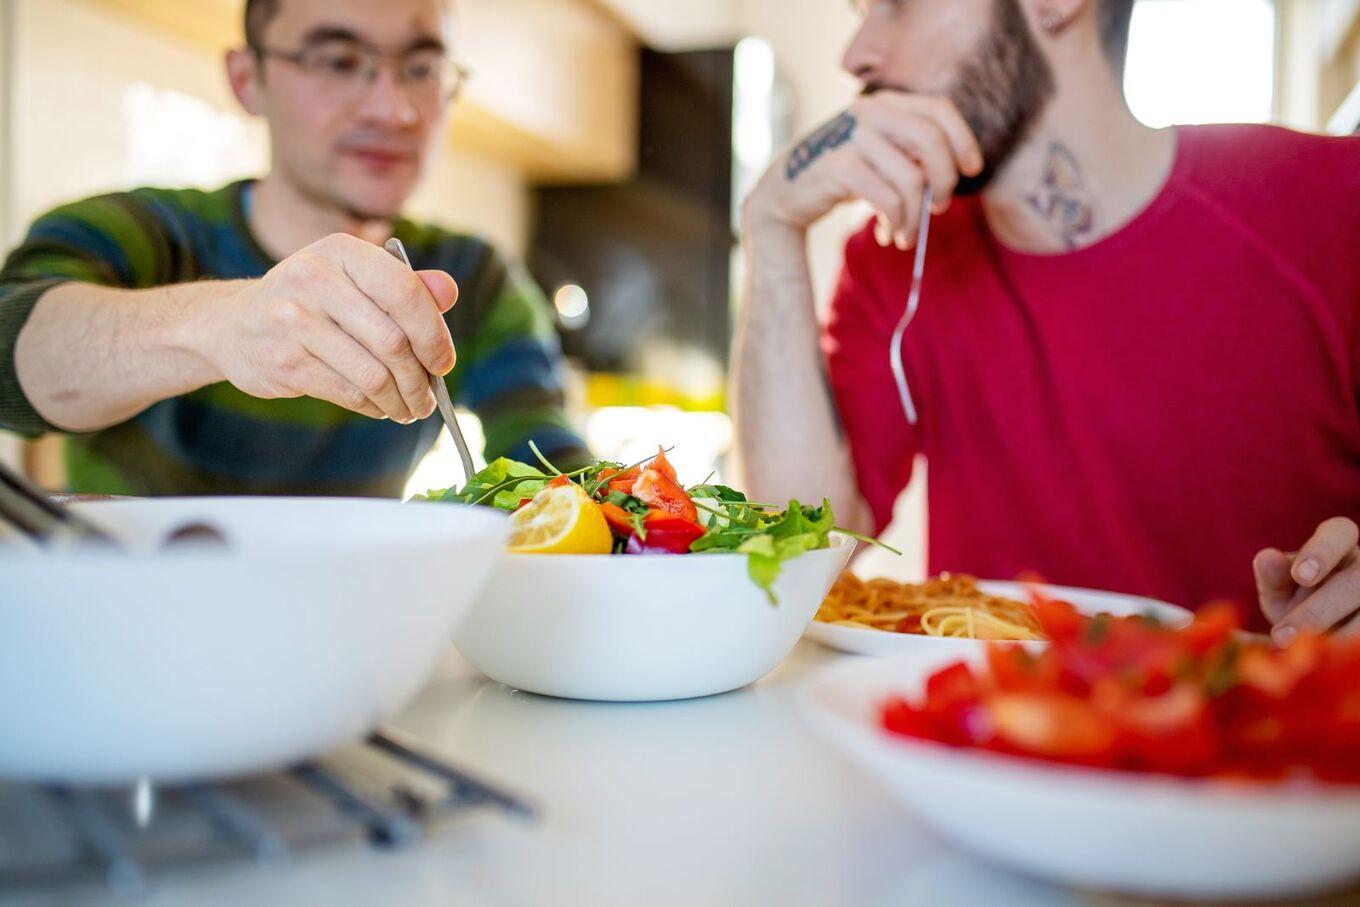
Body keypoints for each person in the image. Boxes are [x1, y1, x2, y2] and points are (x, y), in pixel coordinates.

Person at [732, 0, 1360, 639]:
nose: (855, 53)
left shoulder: (1340, 204)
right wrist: (772, 224)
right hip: (979, 728)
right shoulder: (891, 261)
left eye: (896, 5)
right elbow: (791, 552)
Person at [0, 0, 587, 498]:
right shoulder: (143, 232)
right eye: (337, 60)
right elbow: (11, 355)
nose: (394, 110)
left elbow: (555, 468)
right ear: (246, 78)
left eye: (422, 66)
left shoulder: (472, 277)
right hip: (127, 623)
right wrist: (225, 323)